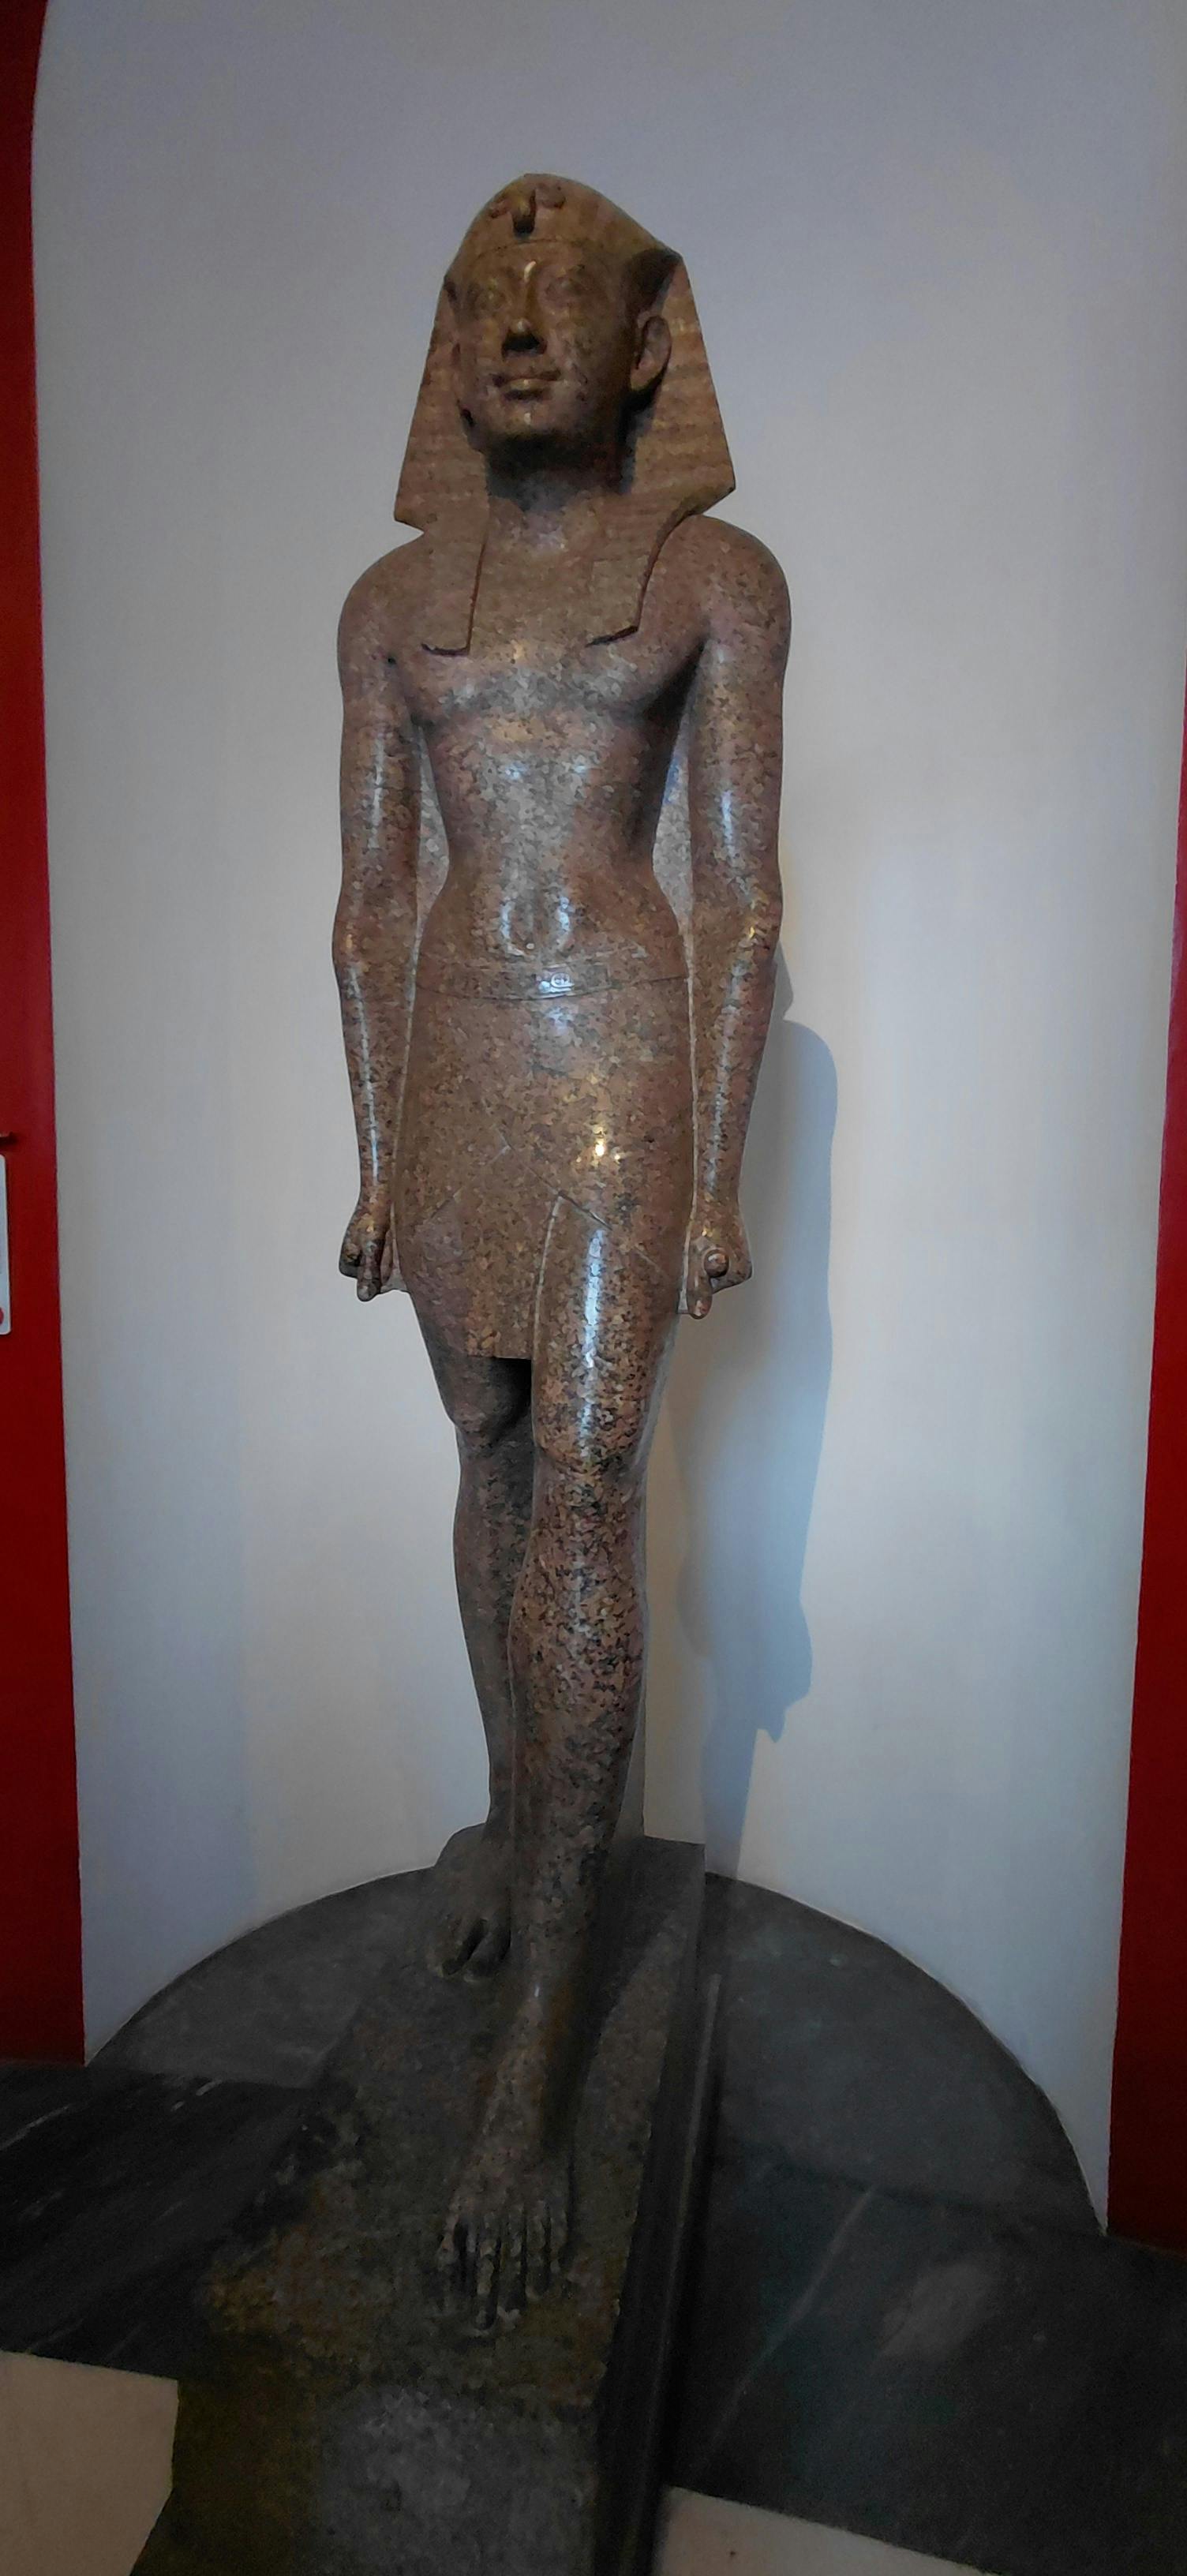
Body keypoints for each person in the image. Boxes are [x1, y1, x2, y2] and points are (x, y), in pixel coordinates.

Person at [335, 174, 788, 2327]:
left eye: (563, 293)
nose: (519, 326)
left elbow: (740, 895)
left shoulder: (710, 580)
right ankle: (521, 1827)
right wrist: (371, 1150)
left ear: (647, 346)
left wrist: (715, 1173)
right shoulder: (386, 605)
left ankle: (530, 2084)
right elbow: (365, 900)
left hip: (619, 1050)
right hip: (452, 1053)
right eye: (481, 301)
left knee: (591, 1482)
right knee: (492, 1454)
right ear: (449, 355)